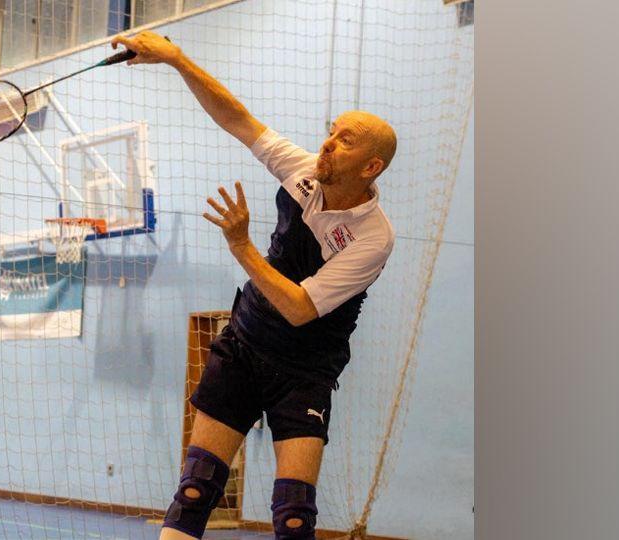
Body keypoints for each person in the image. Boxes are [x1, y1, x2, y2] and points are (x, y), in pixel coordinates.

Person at [111, 31, 398, 540]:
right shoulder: (304, 171)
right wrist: (177, 58)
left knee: (292, 517)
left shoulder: (373, 238)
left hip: (304, 371)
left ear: (371, 167)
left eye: (345, 140)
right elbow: (238, 119)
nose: (328, 143)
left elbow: (300, 307)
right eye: (331, 132)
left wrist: (242, 245)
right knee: (196, 489)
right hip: (244, 345)